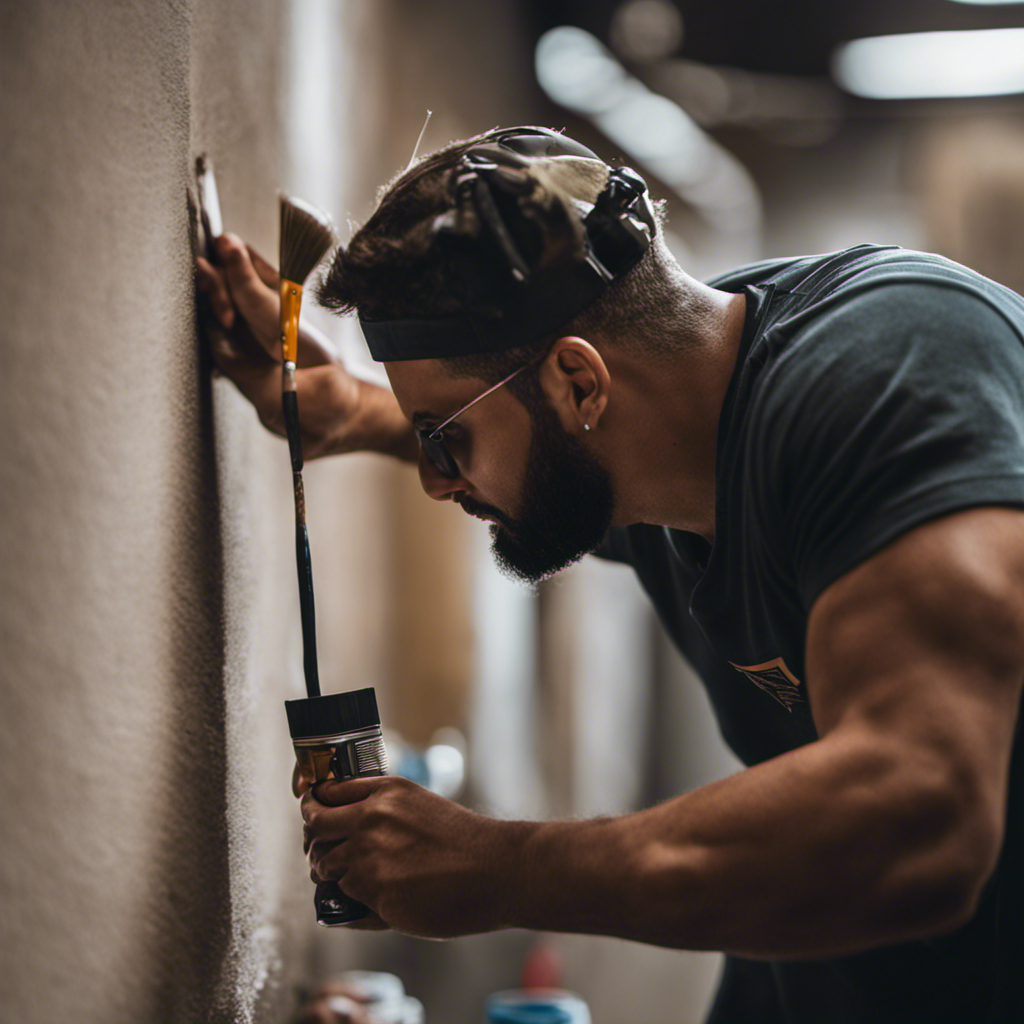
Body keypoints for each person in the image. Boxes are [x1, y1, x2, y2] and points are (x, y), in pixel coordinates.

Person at [197, 126, 1024, 1023]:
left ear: (580, 385)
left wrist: (502, 870)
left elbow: (921, 819)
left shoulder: (889, 377)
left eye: (446, 438)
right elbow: (543, 454)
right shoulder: (671, 421)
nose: (439, 481)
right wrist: (356, 409)